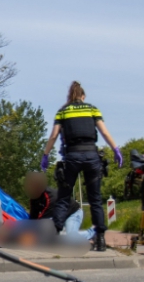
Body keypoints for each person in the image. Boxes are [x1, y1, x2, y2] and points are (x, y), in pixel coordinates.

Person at [41, 81, 122, 252]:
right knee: (95, 200)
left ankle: (54, 236)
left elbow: (54, 135)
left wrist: (45, 155)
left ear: (70, 97)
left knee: (63, 198)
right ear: (83, 96)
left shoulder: (63, 111)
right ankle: (100, 240)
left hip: (72, 156)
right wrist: (115, 149)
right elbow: (104, 132)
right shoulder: (92, 109)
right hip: (92, 156)